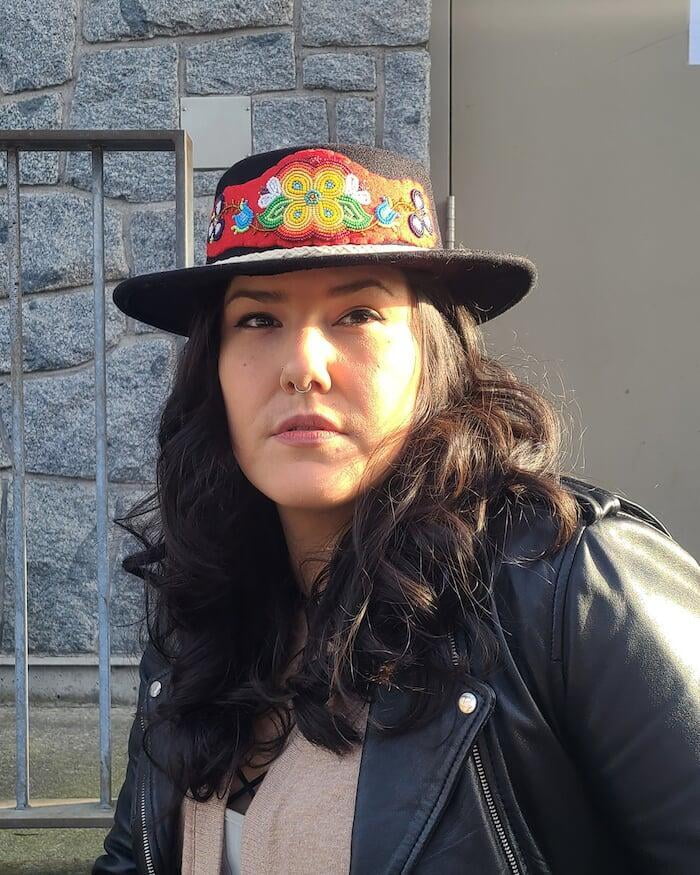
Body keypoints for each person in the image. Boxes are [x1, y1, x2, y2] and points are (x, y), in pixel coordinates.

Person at [93, 144, 700, 875]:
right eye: (257, 319)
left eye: (356, 313)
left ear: (431, 355)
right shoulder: (201, 616)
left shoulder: (572, 584)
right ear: (211, 367)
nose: (302, 365)